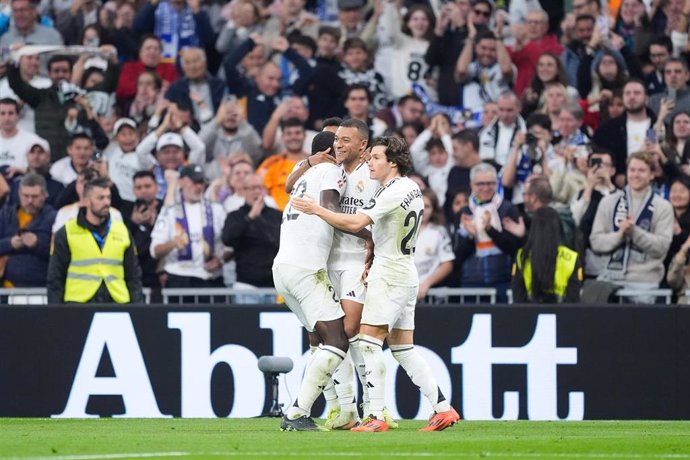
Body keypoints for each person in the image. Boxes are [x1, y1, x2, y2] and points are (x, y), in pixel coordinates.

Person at [292, 136, 460, 432]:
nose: (370, 162)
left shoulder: (393, 191)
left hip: (390, 275)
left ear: (393, 162)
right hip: (405, 271)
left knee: (369, 343)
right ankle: (443, 409)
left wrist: (316, 209)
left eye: (377, 158)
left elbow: (356, 224)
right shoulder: (412, 189)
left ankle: (375, 416)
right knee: (403, 348)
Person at [272, 130, 348, 432]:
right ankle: (297, 413)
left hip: (283, 268)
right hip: (306, 269)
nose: (341, 151)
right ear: (330, 151)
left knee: (318, 339)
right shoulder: (329, 170)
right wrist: (367, 232)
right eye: (338, 147)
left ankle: (331, 409)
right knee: (338, 340)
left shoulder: (302, 174)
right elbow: (330, 209)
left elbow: (290, 183)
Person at [590, 151, 673, 301]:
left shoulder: (663, 207)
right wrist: (619, 235)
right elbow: (595, 241)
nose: (636, 175)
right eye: (632, 170)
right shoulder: (608, 202)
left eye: (641, 170)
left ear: (652, 175)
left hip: (645, 285)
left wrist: (635, 232)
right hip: (608, 280)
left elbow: (662, 247)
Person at [47, 177, 143, 304]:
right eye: (100, 198)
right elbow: (56, 277)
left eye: (108, 197)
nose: (107, 202)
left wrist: (137, 307)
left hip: (117, 302)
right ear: (86, 201)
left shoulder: (122, 231)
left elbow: (133, 275)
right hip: (78, 303)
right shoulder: (67, 232)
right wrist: (56, 312)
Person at [150, 164, 227, 291]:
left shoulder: (217, 210)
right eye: (194, 182)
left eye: (201, 182)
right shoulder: (169, 211)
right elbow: (155, 250)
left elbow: (229, 244)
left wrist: (221, 260)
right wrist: (173, 243)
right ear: (181, 182)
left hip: (211, 279)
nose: (199, 186)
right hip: (180, 278)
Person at [221, 173, 281, 298]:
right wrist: (249, 218)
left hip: (273, 286)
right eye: (252, 188)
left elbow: (281, 241)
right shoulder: (235, 216)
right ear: (243, 191)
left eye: (260, 187)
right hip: (246, 284)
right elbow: (227, 239)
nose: (257, 192)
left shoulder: (277, 216)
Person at [512, 206, 583, 303]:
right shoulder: (572, 258)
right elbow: (573, 300)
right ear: (558, 228)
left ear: (534, 229)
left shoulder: (521, 256)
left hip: (528, 315)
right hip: (564, 315)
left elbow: (518, 299)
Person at [0, 173, 56, 287]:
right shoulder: (5, 215)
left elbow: (59, 254)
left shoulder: (54, 217)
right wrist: (10, 243)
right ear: (19, 194)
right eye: (25, 196)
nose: (30, 201)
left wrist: (37, 244)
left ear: (45, 195)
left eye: (34, 196)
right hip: (5, 287)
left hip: (40, 287)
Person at [125, 170, 162, 300]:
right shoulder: (127, 211)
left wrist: (153, 226)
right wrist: (134, 224)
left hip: (159, 276)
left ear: (157, 187)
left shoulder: (166, 209)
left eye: (147, 186)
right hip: (136, 274)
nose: (143, 191)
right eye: (139, 187)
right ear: (134, 191)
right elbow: (127, 245)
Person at [415, 189, 455, 300]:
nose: (423, 210)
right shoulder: (401, 231)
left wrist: (426, 283)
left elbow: (447, 264)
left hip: (431, 296)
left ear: (434, 209)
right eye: (419, 205)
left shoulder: (439, 232)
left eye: (427, 206)